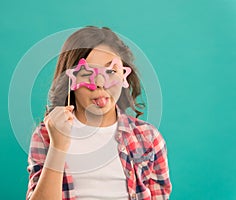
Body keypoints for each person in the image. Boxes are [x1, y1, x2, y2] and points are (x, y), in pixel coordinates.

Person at [26, 26, 172, 200]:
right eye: (87, 73)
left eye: (110, 71)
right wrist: (58, 147)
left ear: (123, 75)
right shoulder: (46, 135)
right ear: (70, 80)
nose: (100, 83)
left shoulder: (148, 138)